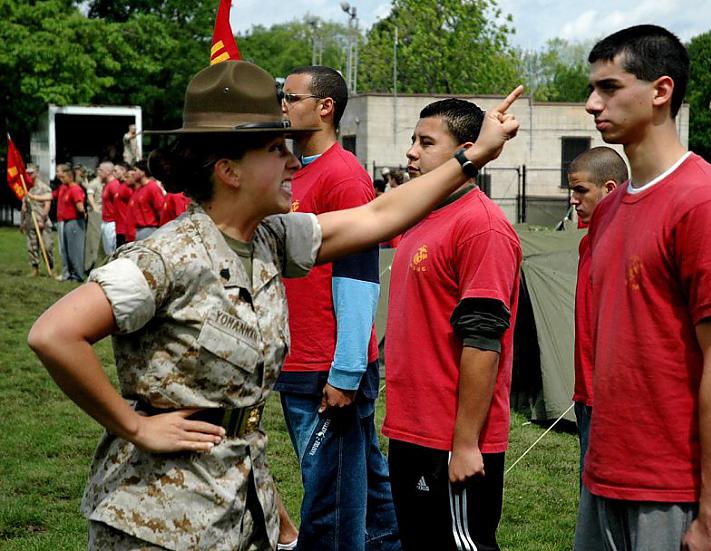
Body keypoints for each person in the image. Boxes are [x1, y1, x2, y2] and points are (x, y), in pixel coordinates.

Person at [27, 60, 522, 551]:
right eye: (273, 149)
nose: (291, 161)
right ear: (228, 171)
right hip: (160, 513)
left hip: (238, 501)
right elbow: (54, 334)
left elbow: (379, 214)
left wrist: (473, 156)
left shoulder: (270, 239)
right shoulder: (168, 256)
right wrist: (134, 426)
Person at [573, 25, 711, 551]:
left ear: (660, 90)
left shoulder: (705, 204)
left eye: (608, 88)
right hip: (604, 474)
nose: (591, 104)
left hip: (675, 492)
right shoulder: (607, 210)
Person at [382, 98, 522, 551]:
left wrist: (465, 443)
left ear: (467, 149)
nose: (411, 153)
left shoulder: (482, 227)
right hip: (411, 428)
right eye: (412, 141)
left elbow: (483, 341)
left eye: (426, 143)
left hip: (451, 439)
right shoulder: (420, 215)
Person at [275, 64, 398, 550]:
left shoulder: (344, 177)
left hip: (326, 368)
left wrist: (345, 372)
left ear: (325, 107)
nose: (282, 106)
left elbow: (358, 277)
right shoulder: (294, 171)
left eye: (292, 97)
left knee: (330, 507)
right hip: (299, 359)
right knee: (368, 487)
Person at [567, 146, 627, 479]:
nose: (573, 200)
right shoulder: (586, 242)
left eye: (581, 190)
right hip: (586, 393)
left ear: (609, 189)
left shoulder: (629, 241)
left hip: (615, 400)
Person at [54, 163, 87, 282]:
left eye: (63, 177)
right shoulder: (64, 188)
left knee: (75, 249)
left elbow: (80, 207)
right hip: (66, 221)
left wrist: (84, 211)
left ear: (69, 176)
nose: (61, 179)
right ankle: (69, 273)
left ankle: (78, 274)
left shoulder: (75, 189)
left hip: (75, 222)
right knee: (66, 249)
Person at [21, 164, 54, 277]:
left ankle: (51, 268)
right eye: (28, 173)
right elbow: (24, 207)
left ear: (37, 173)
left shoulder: (44, 187)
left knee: (47, 246)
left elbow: (47, 205)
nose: (29, 175)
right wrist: (22, 221)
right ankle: (35, 268)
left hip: (42, 221)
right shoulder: (26, 188)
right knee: (32, 246)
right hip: (30, 221)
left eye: (31, 173)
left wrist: (42, 219)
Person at [131, 160, 166, 240]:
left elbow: (161, 210)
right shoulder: (139, 189)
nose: (133, 173)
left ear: (143, 172)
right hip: (138, 230)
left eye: (135, 170)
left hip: (149, 230)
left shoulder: (152, 188)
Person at [84, 164, 104, 272]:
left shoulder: (104, 183)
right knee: (93, 239)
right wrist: (95, 208)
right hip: (96, 214)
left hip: (104, 214)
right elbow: (90, 196)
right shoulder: (94, 183)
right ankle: (90, 264)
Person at [99, 162, 119, 256]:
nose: (99, 173)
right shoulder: (106, 185)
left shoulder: (114, 185)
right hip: (105, 221)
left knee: (112, 251)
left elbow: (118, 204)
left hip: (112, 222)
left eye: (101, 170)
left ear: (107, 172)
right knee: (107, 252)